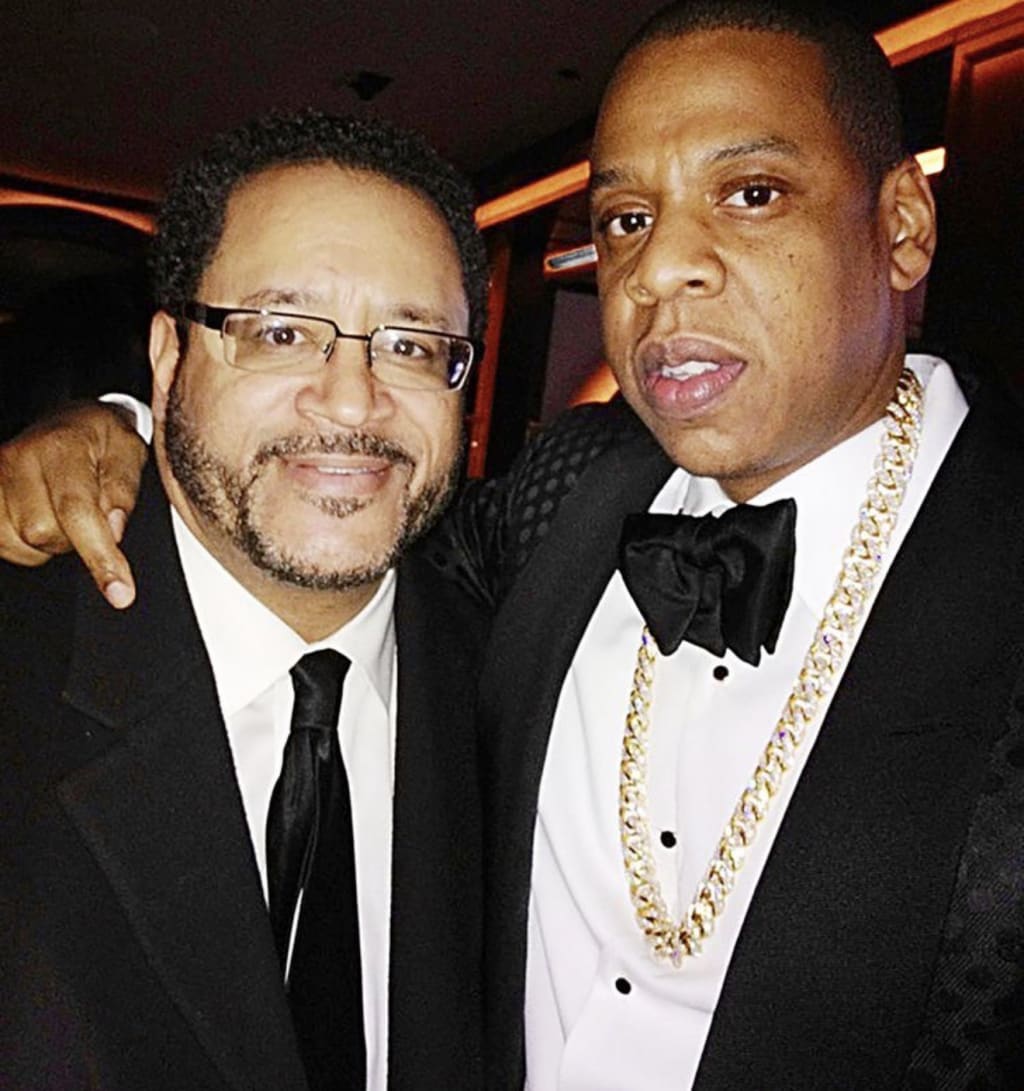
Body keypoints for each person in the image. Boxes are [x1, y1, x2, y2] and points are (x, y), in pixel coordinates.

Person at [2, 3, 1023, 1089]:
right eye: (626, 217)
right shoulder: (567, 495)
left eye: (752, 193)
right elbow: (330, 507)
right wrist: (122, 427)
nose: (662, 265)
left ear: (902, 224)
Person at [0, 109, 492, 1091]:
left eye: (410, 344)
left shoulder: (519, 685)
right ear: (167, 361)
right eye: (280, 332)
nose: (351, 400)